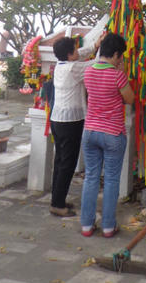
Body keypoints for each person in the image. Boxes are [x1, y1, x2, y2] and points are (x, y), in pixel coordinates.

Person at [80, 32, 134, 238]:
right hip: (112, 132)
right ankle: (109, 226)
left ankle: (86, 225)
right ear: (117, 54)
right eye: (121, 56)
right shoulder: (117, 75)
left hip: (90, 131)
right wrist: (123, 72)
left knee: (91, 178)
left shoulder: (88, 71)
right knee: (111, 180)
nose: (121, 60)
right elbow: (129, 99)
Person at [48, 32, 103, 218]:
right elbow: (95, 63)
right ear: (70, 54)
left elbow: (80, 53)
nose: (77, 52)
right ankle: (57, 203)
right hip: (70, 121)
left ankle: (57, 199)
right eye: (74, 49)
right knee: (68, 164)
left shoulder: (60, 65)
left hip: (57, 119)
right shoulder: (73, 68)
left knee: (60, 161)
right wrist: (102, 49)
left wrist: (95, 44)